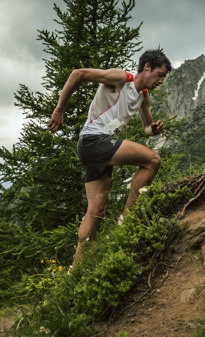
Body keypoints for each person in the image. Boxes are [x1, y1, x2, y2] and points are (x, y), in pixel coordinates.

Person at [48, 48, 172, 263]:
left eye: (163, 77)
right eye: (159, 75)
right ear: (147, 67)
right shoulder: (122, 78)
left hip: (96, 148)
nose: (161, 81)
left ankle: (77, 268)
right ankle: (128, 220)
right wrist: (60, 109)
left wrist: (155, 129)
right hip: (93, 140)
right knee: (152, 160)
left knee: (96, 210)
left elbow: (147, 128)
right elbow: (78, 73)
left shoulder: (143, 96)